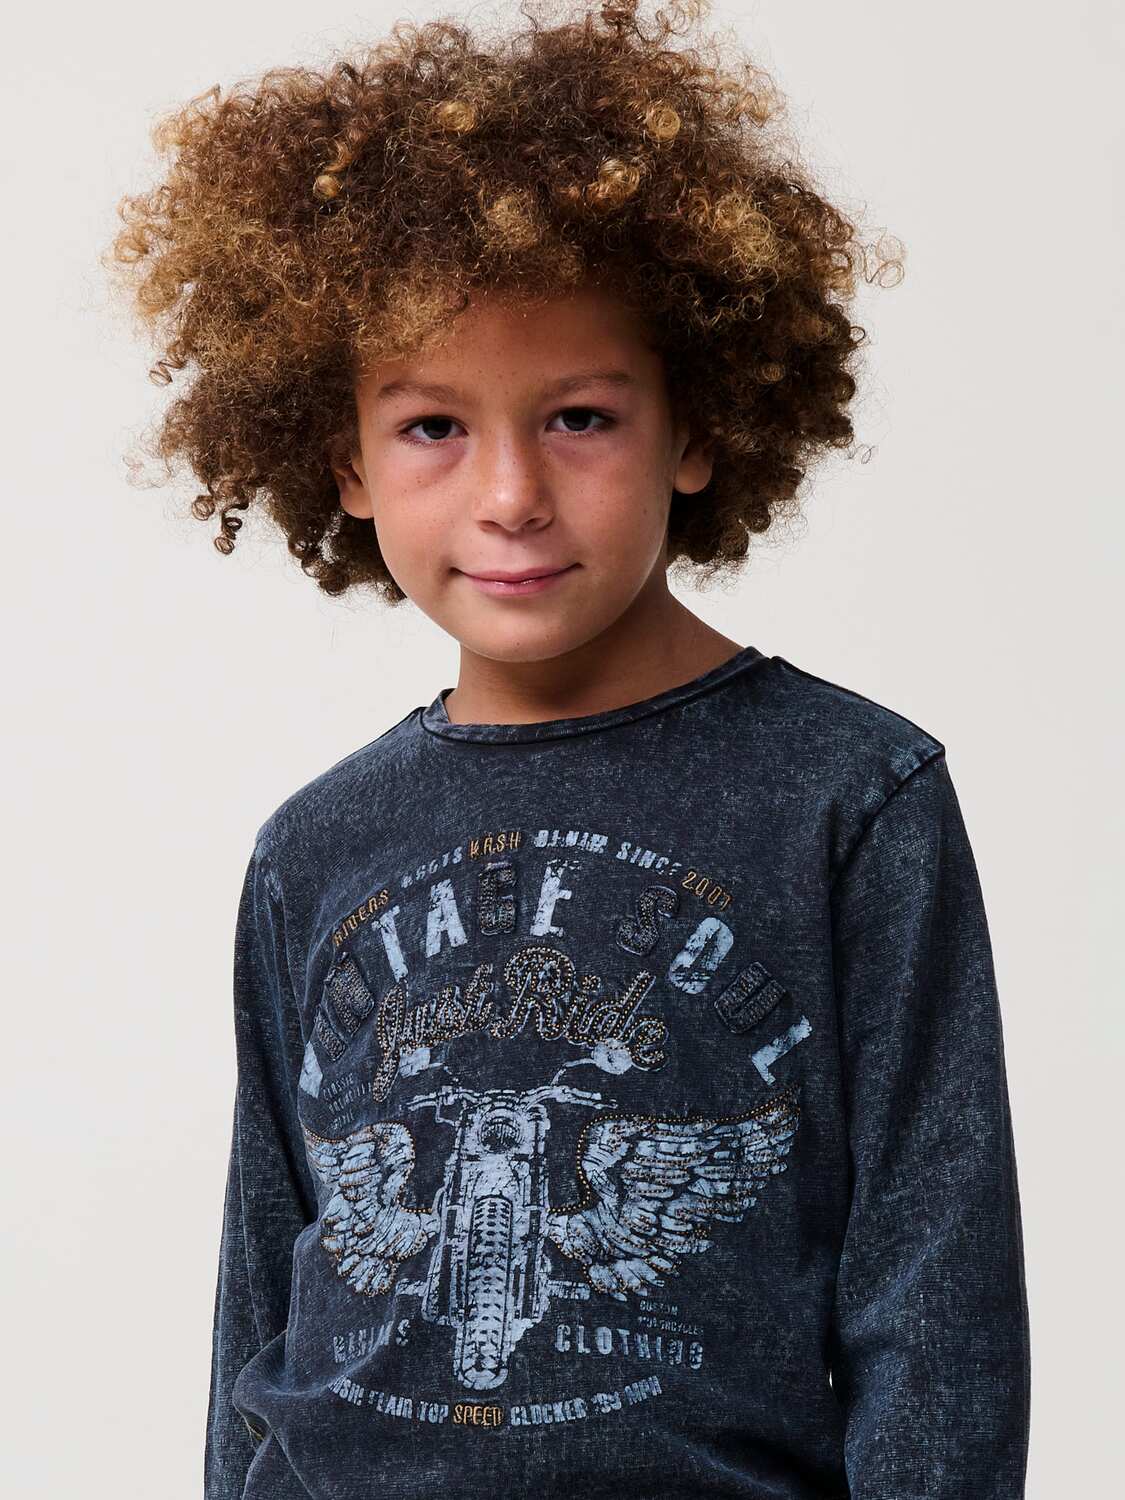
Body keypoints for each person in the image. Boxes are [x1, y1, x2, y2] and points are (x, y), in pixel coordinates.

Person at [105, 2, 1031, 1496]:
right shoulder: (313, 845)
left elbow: (934, 1293)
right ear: (344, 461)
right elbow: (265, 1286)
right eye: (431, 427)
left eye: (580, 417)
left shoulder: (850, 798)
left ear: (696, 427)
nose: (511, 495)